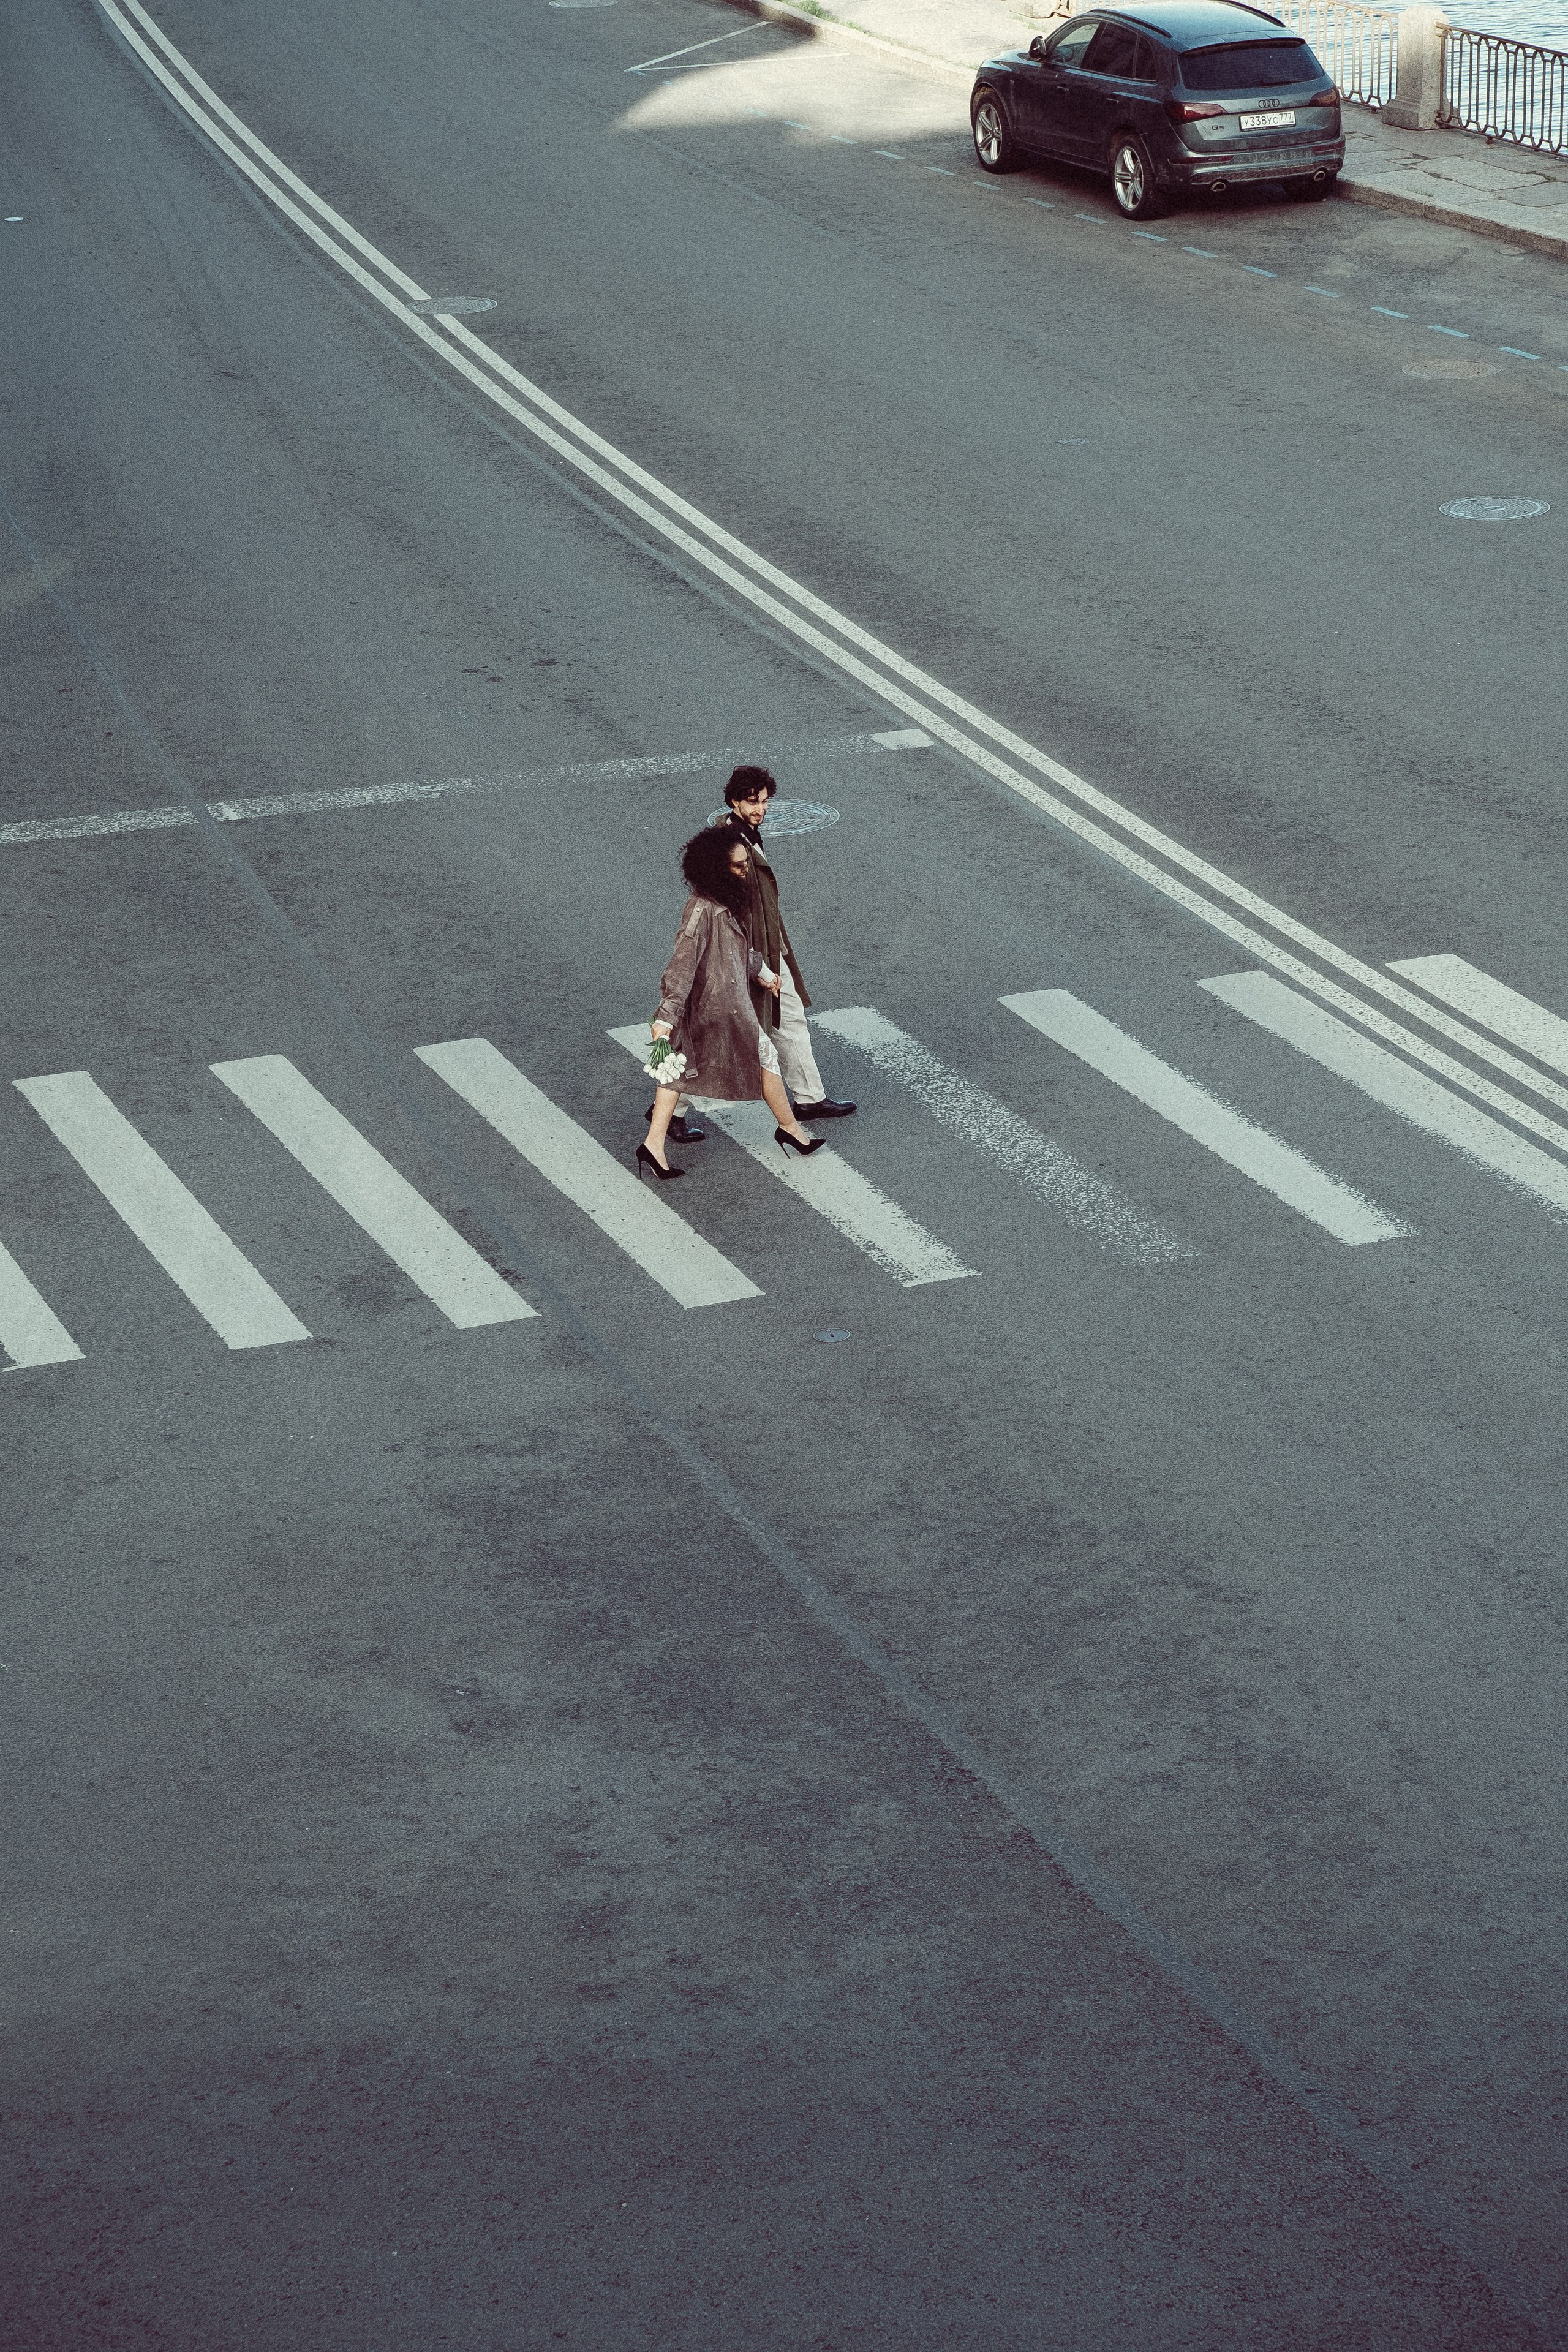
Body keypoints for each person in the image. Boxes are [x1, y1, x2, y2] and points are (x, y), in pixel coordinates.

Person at [638, 827, 826, 1180]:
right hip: (714, 1011)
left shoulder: (726, 903)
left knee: (680, 1073)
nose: (746, 872)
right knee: (756, 1059)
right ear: (717, 870)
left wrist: (764, 973)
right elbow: (681, 966)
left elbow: (736, 951)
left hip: (728, 1005)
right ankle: (790, 1129)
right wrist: (665, 1016)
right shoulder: (702, 911)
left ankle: (653, 1146)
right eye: (739, 867)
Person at [718, 764, 856, 1122]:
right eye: (752, 802)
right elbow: (729, 913)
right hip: (749, 954)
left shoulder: (748, 835)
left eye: (764, 802)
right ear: (734, 801)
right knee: (723, 1033)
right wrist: (756, 964)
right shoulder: (728, 846)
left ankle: (810, 1098)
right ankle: (670, 1108)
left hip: (769, 947)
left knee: (790, 1019)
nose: (760, 809)